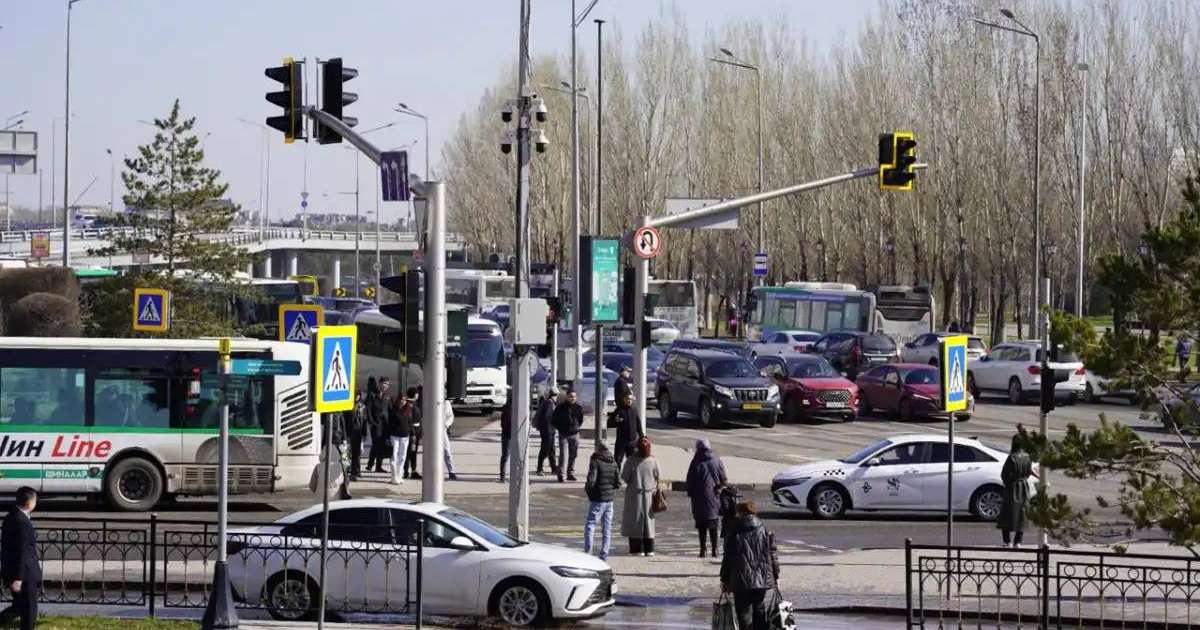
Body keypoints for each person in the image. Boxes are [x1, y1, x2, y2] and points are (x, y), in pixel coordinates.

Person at [721, 501, 780, 630]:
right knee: (759, 608)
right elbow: (773, 556)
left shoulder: (734, 531)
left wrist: (724, 579)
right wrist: (776, 576)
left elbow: (728, 557)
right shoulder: (766, 531)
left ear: (741, 513)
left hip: (740, 578)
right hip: (762, 577)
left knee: (742, 611)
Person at [0, 487, 40, 630]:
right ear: (30, 503)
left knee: (18, 607)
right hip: (25, 574)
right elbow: (23, 552)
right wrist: (19, 578)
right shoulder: (23, 523)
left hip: (14, 571)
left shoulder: (11, 517)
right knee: (29, 611)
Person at [687, 439, 728, 558]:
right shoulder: (717, 460)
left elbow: (690, 480)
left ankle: (703, 549)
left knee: (701, 526)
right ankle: (715, 549)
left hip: (698, 498)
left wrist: (691, 493)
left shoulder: (695, 461)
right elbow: (724, 479)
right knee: (713, 524)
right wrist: (719, 489)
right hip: (714, 497)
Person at [621, 437, 661, 556]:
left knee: (635, 521)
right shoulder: (653, 460)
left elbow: (625, 477)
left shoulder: (631, 460)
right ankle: (649, 549)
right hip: (649, 494)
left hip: (634, 494)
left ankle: (636, 549)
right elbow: (658, 476)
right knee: (649, 522)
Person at [998, 434, 1038, 548]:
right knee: (1022, 514)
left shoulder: (1012, 457)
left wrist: (1008, 483)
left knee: (1007, 514)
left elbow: (1004, 474)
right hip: (1024, 487)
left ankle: (1007, 541)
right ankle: (1018, 541)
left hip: (1012, 487)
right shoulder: (1027, 457)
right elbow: (1028, 471)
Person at [583, 442, 619, 560]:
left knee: (590, 524)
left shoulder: (596, 461)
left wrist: (590, 493)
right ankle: (604, 553)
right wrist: (611, 491)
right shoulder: (613, 462)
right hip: (609, 500)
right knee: (607, 528)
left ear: (598, 449)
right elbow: (618, 482)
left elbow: (591, 481)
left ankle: (588, 552)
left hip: (598, 499)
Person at [553, 390, 584, 482]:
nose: (572, 398)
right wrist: (560, 429)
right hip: (564, 435)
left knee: (573, 455)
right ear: (567, 397)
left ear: (576, 398)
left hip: (575, 434)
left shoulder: (578, 408)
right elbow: (554, 420)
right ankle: (561, 475)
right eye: (570, 396)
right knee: (563, 455)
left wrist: (576, 427)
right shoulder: (560, 407)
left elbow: (580, 420)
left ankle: (570, 473)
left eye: (574, 396)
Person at [611, 392, 644, 476]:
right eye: (627, 399)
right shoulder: (619, 410)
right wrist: (616, 421)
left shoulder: (634, 409)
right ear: (624, 399)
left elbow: (638, 423)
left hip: (632, 441)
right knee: (618, 460)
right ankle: (617, 477)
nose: (629, 401)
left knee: (632, 461)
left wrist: (642, 436)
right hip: (621, 441)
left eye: (630, 399)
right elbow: (611, 422)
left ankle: (631, 476)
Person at [386, 390, 415, 485]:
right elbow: (389, 422)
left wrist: (412, 433)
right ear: (398, 400)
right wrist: (388, 435)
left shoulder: (409, 409)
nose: (403, 401)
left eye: (404, 399)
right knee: (394, 456)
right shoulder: (393, 409)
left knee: (402, 457)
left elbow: (410, 422)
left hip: (405, 436)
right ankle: (394, 476)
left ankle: (399, 475)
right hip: (394, 436)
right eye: (401, 399)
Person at [365, 377, 390, 473]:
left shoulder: (387, 395)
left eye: (387, 384)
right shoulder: (372, 394)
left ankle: (378, 466)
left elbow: (389, 409)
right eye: (385, 383)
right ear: (380, 383)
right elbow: (368, 409)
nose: (386, 386)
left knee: (381, 444)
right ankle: (370, 464)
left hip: (385, 424)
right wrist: (371, 422)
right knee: (376, 443)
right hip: (376, 423)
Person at [534, 388, 559, 476]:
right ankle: (539, 468)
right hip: (547, 430)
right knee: (545, 449)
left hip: (549, 430)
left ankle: (554, 468)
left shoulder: (550, 402)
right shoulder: (549, 403)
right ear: (555, 395)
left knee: (551, 449)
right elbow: (547, 418)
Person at [344, 389, 366, 481]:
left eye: (358, 395)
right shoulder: (348, 405)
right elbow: (345, 420)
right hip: (350, 432)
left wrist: (364, 434)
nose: (357, 397)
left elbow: (364, 421)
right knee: (347, 453)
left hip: (358, 432)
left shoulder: (363, 407)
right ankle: (347, 471)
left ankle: (355, 471)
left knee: (357, 453)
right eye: (355, 395)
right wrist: (345, 434)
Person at [405, 387, 423, 480]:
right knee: (410, 452)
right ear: (415, 394)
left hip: (416, 431)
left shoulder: (413, 404)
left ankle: (412, 470)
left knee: (413, 451)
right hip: (413, 433)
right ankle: (407, 471)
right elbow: (410, 420)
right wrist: (413, 433)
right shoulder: (409, 405)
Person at [442, 401, 458, 481]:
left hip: (442, 430)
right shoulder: (428, 400)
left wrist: (446, 425)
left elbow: (450, 416)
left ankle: (451, 471)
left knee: (447, 451)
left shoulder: (446, 403)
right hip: (430, 429)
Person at [499, 399, 513, 483]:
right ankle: (503, 476)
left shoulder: (507, 410)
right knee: (505, 456)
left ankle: (503, 476)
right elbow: (503, 424)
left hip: (507, 435)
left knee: (505, 456)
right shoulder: (508, 410)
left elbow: (502, 424)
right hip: (508, 435)